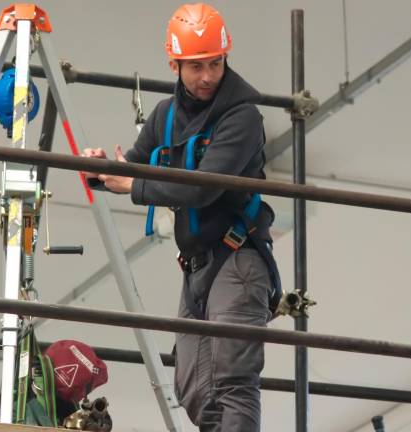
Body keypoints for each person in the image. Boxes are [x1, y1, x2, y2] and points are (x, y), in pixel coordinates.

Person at [82, 3, 281, 431]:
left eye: (215, 63)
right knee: (194, 390)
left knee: (233, 379)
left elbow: (202, 187)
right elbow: (132, 169)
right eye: (196, 66)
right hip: (197, 269)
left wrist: (130, 186)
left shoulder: (242, 117)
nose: (207, 75)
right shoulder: (164, 117)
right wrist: (102, 171)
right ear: (175, 63)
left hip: (238, 259)